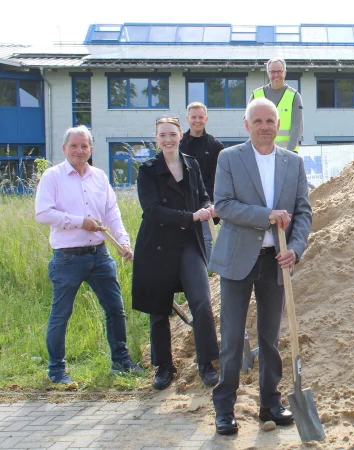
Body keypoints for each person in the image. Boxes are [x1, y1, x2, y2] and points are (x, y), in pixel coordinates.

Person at [210, 98, 312, 435]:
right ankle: (225, 408)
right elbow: (224, 205)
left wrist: (295, 249)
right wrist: (266, 215)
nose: (265, 127)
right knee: (231, 339)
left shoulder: (293, 162)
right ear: (247, 125)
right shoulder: (229, 158)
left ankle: (270, 402)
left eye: (270, 121)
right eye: (258, 121)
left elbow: (303, 212)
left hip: (276, 261)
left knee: (269, 338)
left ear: (278, 125)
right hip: (237, 258)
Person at [34, 125, 143, 383]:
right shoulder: (52, 177)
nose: (79, 150)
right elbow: (43, 214)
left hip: (100, 255)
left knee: (115, 309)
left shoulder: (99, 177)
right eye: (74, 146)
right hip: (67, 258)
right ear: (65, 148)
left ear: (91, 149)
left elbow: (112, 213)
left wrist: (124, 243)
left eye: (84, 146)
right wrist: (80, 222)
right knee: (61, 314)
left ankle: (120, 361)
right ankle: (56, 371)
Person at [131, 116, 221, 391]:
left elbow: (202, 195)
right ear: (156, 139)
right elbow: (152, 210)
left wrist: (208, 206)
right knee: (159, 309)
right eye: (163, 135)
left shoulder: (191, 164)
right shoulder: (148, 170)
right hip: (156, 246)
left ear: (181, 135)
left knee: (201, 302)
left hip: (188, 243)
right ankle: (164, 367)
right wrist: (190, 216)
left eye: (172, 134)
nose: (168, 139)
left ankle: (207, 363)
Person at [180, 102, 225, 259]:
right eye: (194, 117)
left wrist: (204, 200)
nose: (197, 121)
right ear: (187, 119)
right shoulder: (179, 143)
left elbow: (218, 176)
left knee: (206, 238)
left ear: (206, 119)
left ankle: (207, 270)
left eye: (200, 117)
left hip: (205, 201)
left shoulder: (215, 145)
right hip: (181, 201)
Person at [248, 58, 304, 152]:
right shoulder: (256, 95)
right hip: (262, 153)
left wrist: (288, 153)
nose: (276, 75)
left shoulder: (294, 96)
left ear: (285, 73)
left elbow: (297, 127)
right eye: (273, 72)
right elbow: (248, 123)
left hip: (287, 152)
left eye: (279, 71)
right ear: (268, 73)